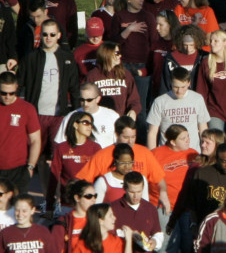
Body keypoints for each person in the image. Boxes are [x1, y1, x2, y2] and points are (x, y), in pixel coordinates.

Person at [17, 18, 80, 165]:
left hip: (58, 115)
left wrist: (76, 114)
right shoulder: (31, 58)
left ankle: (50, 188)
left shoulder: (67, 57)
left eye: (52, 34)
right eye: (45, 34)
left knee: (54, 158)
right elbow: (18, 85)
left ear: (59, 35)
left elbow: (74, 88)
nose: (48, 38)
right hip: (36, 114)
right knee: (34, 156)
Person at [76, 117, 170, 213]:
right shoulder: (102, 155)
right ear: (117, 134)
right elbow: (83, 180)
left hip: (137, 210)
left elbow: (159, 179)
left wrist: (163, 192)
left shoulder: (145, 153)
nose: (130, 141)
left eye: (133, 137)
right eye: (126, 137)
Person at [151, 125, 199, 253]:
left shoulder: (193, 154)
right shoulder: (156, 154)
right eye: (183, 138)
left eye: (188, 136)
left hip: (187, 207)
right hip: (165, 207)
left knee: (187, 245)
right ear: (172, 141)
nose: (188, 140)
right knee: (167, 245)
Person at [110, 0, 158, 125]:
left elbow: (153, 42)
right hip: (122, 65)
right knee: (121, 105)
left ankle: (141, 141)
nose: (141, 0)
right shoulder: (119, 16)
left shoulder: (148, 16)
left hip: (142, 66)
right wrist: (128, 30)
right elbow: (113, 43)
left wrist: (148, 67)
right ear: (129, 0)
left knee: (140, 107)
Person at [47, 112, 101, 217]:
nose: (90, 126)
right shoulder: (62, 148)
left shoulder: (95, 148)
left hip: (90, 205)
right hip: (68, 205)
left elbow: (100, 178)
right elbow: (53, 178)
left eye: (91, 123)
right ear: (75, 125)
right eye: (86, 123)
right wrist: (49, 206)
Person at [193, 31, 226, 133]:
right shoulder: (206, 62)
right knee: (216, 142)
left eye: (216, 41)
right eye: (211, 40)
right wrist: (201, 114)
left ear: (225, 42)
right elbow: (201, 91)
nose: (211, 43)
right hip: (214, 111)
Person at [148, 65, 210, 151]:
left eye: (183, 87)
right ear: (170, 83)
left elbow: (203, 128)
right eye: (176, 87)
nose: (179, 91)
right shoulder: (160, 101)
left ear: (189, 83)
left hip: (192, 153)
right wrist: (153, 155)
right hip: (167, 154)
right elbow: (152, 132)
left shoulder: (197, 99)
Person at [0, 71, 41, 194]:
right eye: (3, 93)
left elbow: (36, 140)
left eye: (11, 93)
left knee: (17, 211)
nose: (7, 96)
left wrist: (30, 166)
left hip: (18, 170)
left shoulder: (27, 108)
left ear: (17, 88)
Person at [84, 42, 141, 119]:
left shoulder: (125, 74)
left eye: (120, 53)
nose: (120, 56)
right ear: (107, 54)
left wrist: (133, 111)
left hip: (120, 120)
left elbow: (134, 99)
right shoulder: (93, 75)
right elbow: (85, 98)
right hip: (99, 119)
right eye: (117, 53)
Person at [161, 24, 208, 95]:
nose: (188, 49)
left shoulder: (204, 57)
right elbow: (165, 83)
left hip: (198, 98)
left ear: (197, 42)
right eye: (185, 45)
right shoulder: (170, 58)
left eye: (192, 45)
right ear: (180, 43)